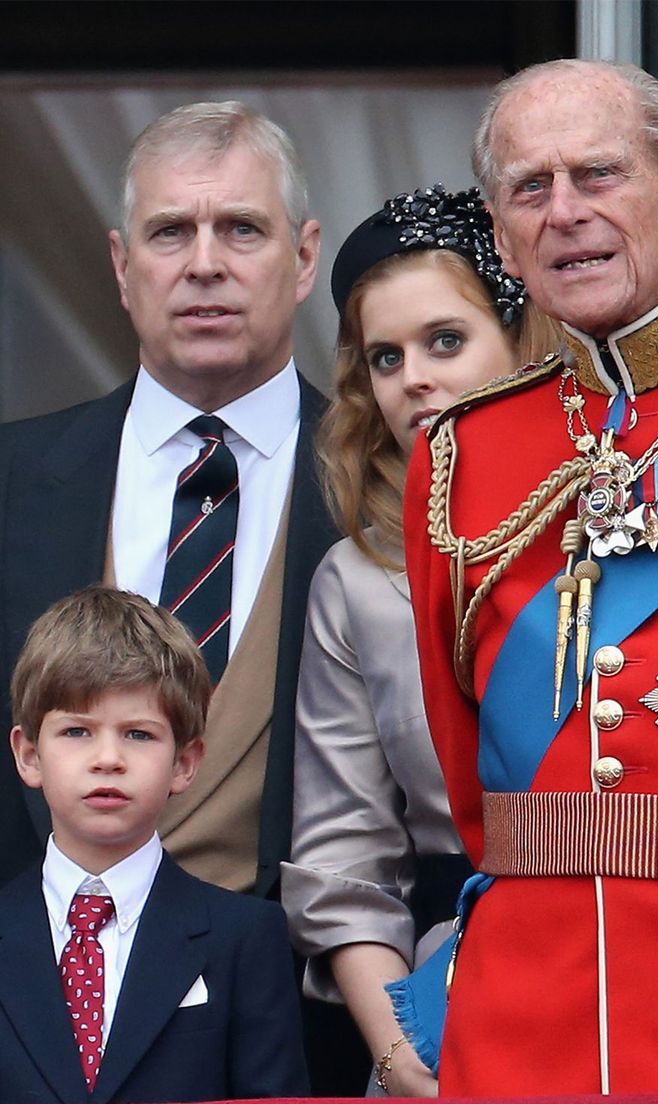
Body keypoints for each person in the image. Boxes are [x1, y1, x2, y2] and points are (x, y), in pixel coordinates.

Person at [404, 58, 658, 1096]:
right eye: (529, 189)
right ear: (501, 236)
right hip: (521, 1024)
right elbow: (473, 790)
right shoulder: (458, 455)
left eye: (597, 175)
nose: (565, 214)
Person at [0, 101, 337, 905]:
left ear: (304, 257)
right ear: (122, 266)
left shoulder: (395, 487)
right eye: (170, 231)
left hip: (297, 1008)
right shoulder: (13, 479)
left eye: (243, 229)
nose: (205, 263)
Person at [282, 185, 560, 1096]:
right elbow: (343, 864)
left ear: (525, 338)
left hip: (642, 962)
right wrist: (404, 1060)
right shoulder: (356, 583)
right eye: (385, 358)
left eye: (447, 341)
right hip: (450, 998)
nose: (415, 379)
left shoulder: (630, 521)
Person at [0, 585, 308, 1103]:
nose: (107, 758)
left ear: (184, 763)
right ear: (29, 755)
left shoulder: (245, 938)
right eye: (77, 731)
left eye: (138, 735)